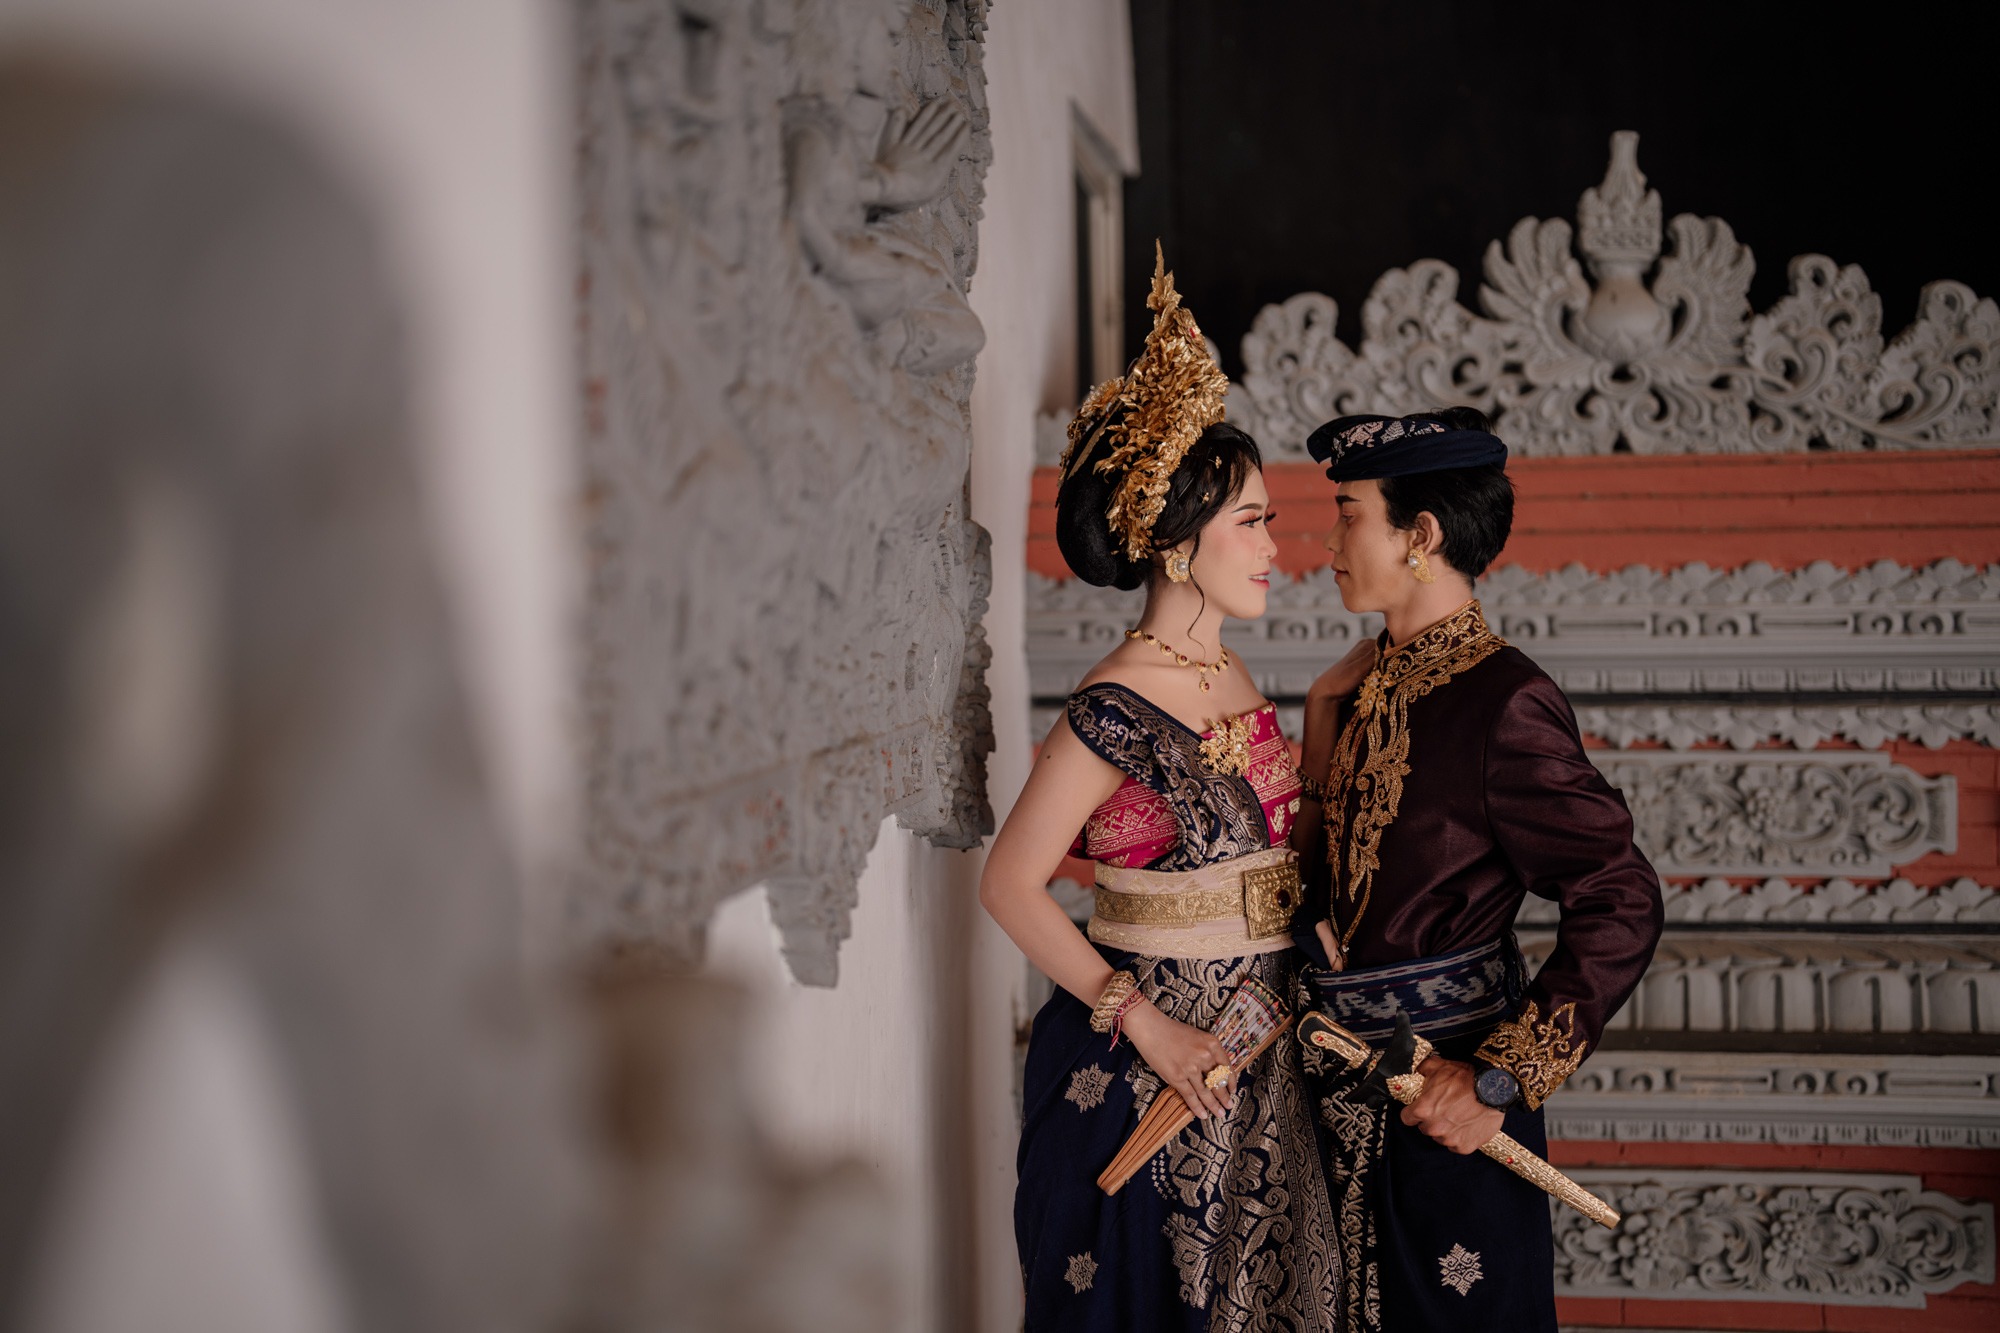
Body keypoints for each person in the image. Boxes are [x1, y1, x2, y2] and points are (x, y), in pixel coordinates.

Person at [980, 251, 1341, 1332]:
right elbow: (1009, 884)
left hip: (1260, 1056)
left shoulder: (1229, 670)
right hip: (1153, 1070)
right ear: (1179, 542)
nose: (1274, 547)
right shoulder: (1114, 705)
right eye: (1252, 521)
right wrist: (1144, 1025)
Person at [1288, 408, 1663, 1332]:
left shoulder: (1504, 698)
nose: (1328, 542)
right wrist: (1321, 725)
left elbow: (1621, 897)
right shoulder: (1366, 684)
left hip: (1446, 1106)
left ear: (1419, 535)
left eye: (1348, 515)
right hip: (1330, 1106)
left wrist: (1498, 1080)